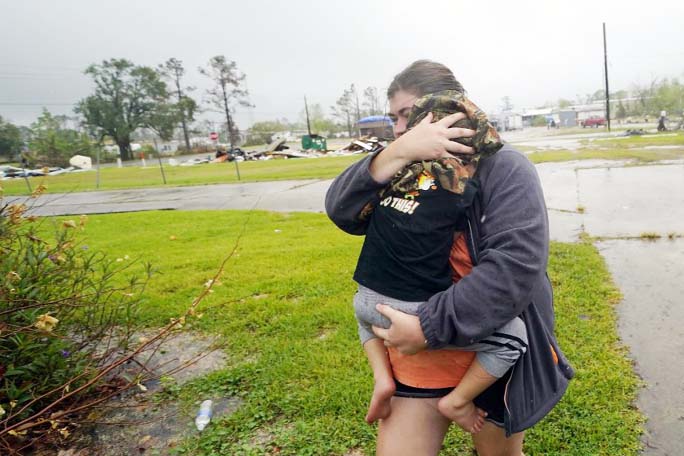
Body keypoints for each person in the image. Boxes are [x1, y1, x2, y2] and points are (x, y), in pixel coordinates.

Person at [325, 60, 574, 456]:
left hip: (487, 354)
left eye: (409, 114)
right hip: (419, 358)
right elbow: (342, 212)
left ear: (448, 108)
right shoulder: (401, 164)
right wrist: (395, 154)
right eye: (395, 119)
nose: (402, 128)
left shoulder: (504, 168)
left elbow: (513, 271)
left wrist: (426, 326)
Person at [348, 89, 528, 434]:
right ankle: (458, 400)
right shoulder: (461, 188)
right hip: (408, 310)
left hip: (365, 302)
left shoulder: (392, 177)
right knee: (514, 337)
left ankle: (382, 377)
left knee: (366, 314)